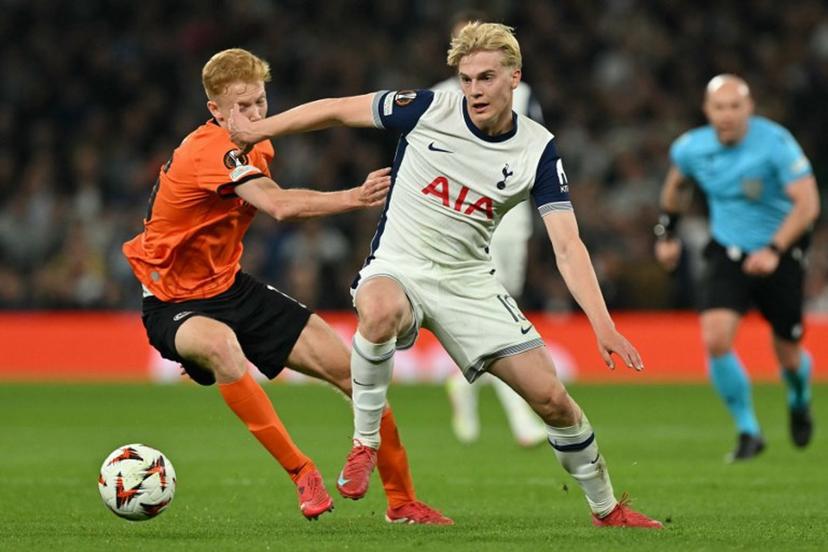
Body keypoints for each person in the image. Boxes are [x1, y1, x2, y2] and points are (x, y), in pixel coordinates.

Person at [230, 24, 662, 528]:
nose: (474, 90)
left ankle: (607, 509)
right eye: (466, 79)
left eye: (486, 78)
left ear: (514, 78)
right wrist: (261, 129)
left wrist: (603, 324)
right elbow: (337, 108)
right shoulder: (427, 108)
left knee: (552, 400)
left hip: (469, 282)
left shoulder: (537, 148)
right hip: (399, 264)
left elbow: (567, 245)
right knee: (379, 309)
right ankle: (364, 443)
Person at [122, 48, 452, 525]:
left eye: (260, 101)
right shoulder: (208, 149)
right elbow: (278, 206)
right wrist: (353, 197)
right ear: (215, 109)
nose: (257, 114)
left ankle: (402, 502)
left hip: (231, 288)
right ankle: (302, 472)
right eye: (243, 106)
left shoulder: (260, 146)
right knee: (221, 346)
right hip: (172, 300)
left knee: (357, 372)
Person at [654, 74, 819, 461]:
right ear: (707, 110)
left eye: (734, 107)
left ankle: (799, 397)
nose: (727, 115)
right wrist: (666, 233)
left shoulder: (776, 144)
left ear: (749, 108)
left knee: (788, 353)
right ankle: (748, 430)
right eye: (719, 107)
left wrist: (774, 249)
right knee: (715, 339)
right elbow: (676, 187)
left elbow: (808, 204)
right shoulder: (691, 148)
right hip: (727, 250)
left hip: (780, 251)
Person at [432, 11, 547, 448]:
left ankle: (463, 386)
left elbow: (535, 149)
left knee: (505, 304)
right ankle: (521, 418)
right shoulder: (439, 99)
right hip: (465, 218)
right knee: (500, 314)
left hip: (512, 218)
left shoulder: (524, 94)